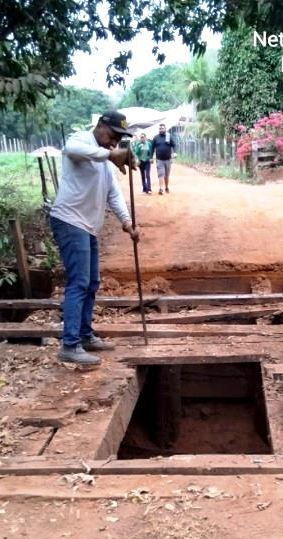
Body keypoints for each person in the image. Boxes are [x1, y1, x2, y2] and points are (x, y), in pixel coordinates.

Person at [49, 111, 141, 366]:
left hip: (87, 227)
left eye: (118, 140)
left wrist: (127, 222)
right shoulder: (82, 141)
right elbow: (71, 149)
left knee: (92, 282)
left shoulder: (104, 162)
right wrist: (111, 154)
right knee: (79, 282)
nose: (113, 143)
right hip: (69, 220)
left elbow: (113, 194)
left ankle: (85, 335)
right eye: (112, 136)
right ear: (100, 126)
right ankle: (70, 345)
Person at [151, 123, 176, 194]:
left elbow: (174, 145)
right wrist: (151, 157)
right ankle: (161, 188)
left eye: (162, 128)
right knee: (161, 174)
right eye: (160, 128)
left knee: (166, 175)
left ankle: (166, 187)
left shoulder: (169, 136)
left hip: (168, 159)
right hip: (159, 160)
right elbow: (152, 148)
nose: (161, 129)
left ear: (165, 129)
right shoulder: (156, 138)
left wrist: (174, 152)